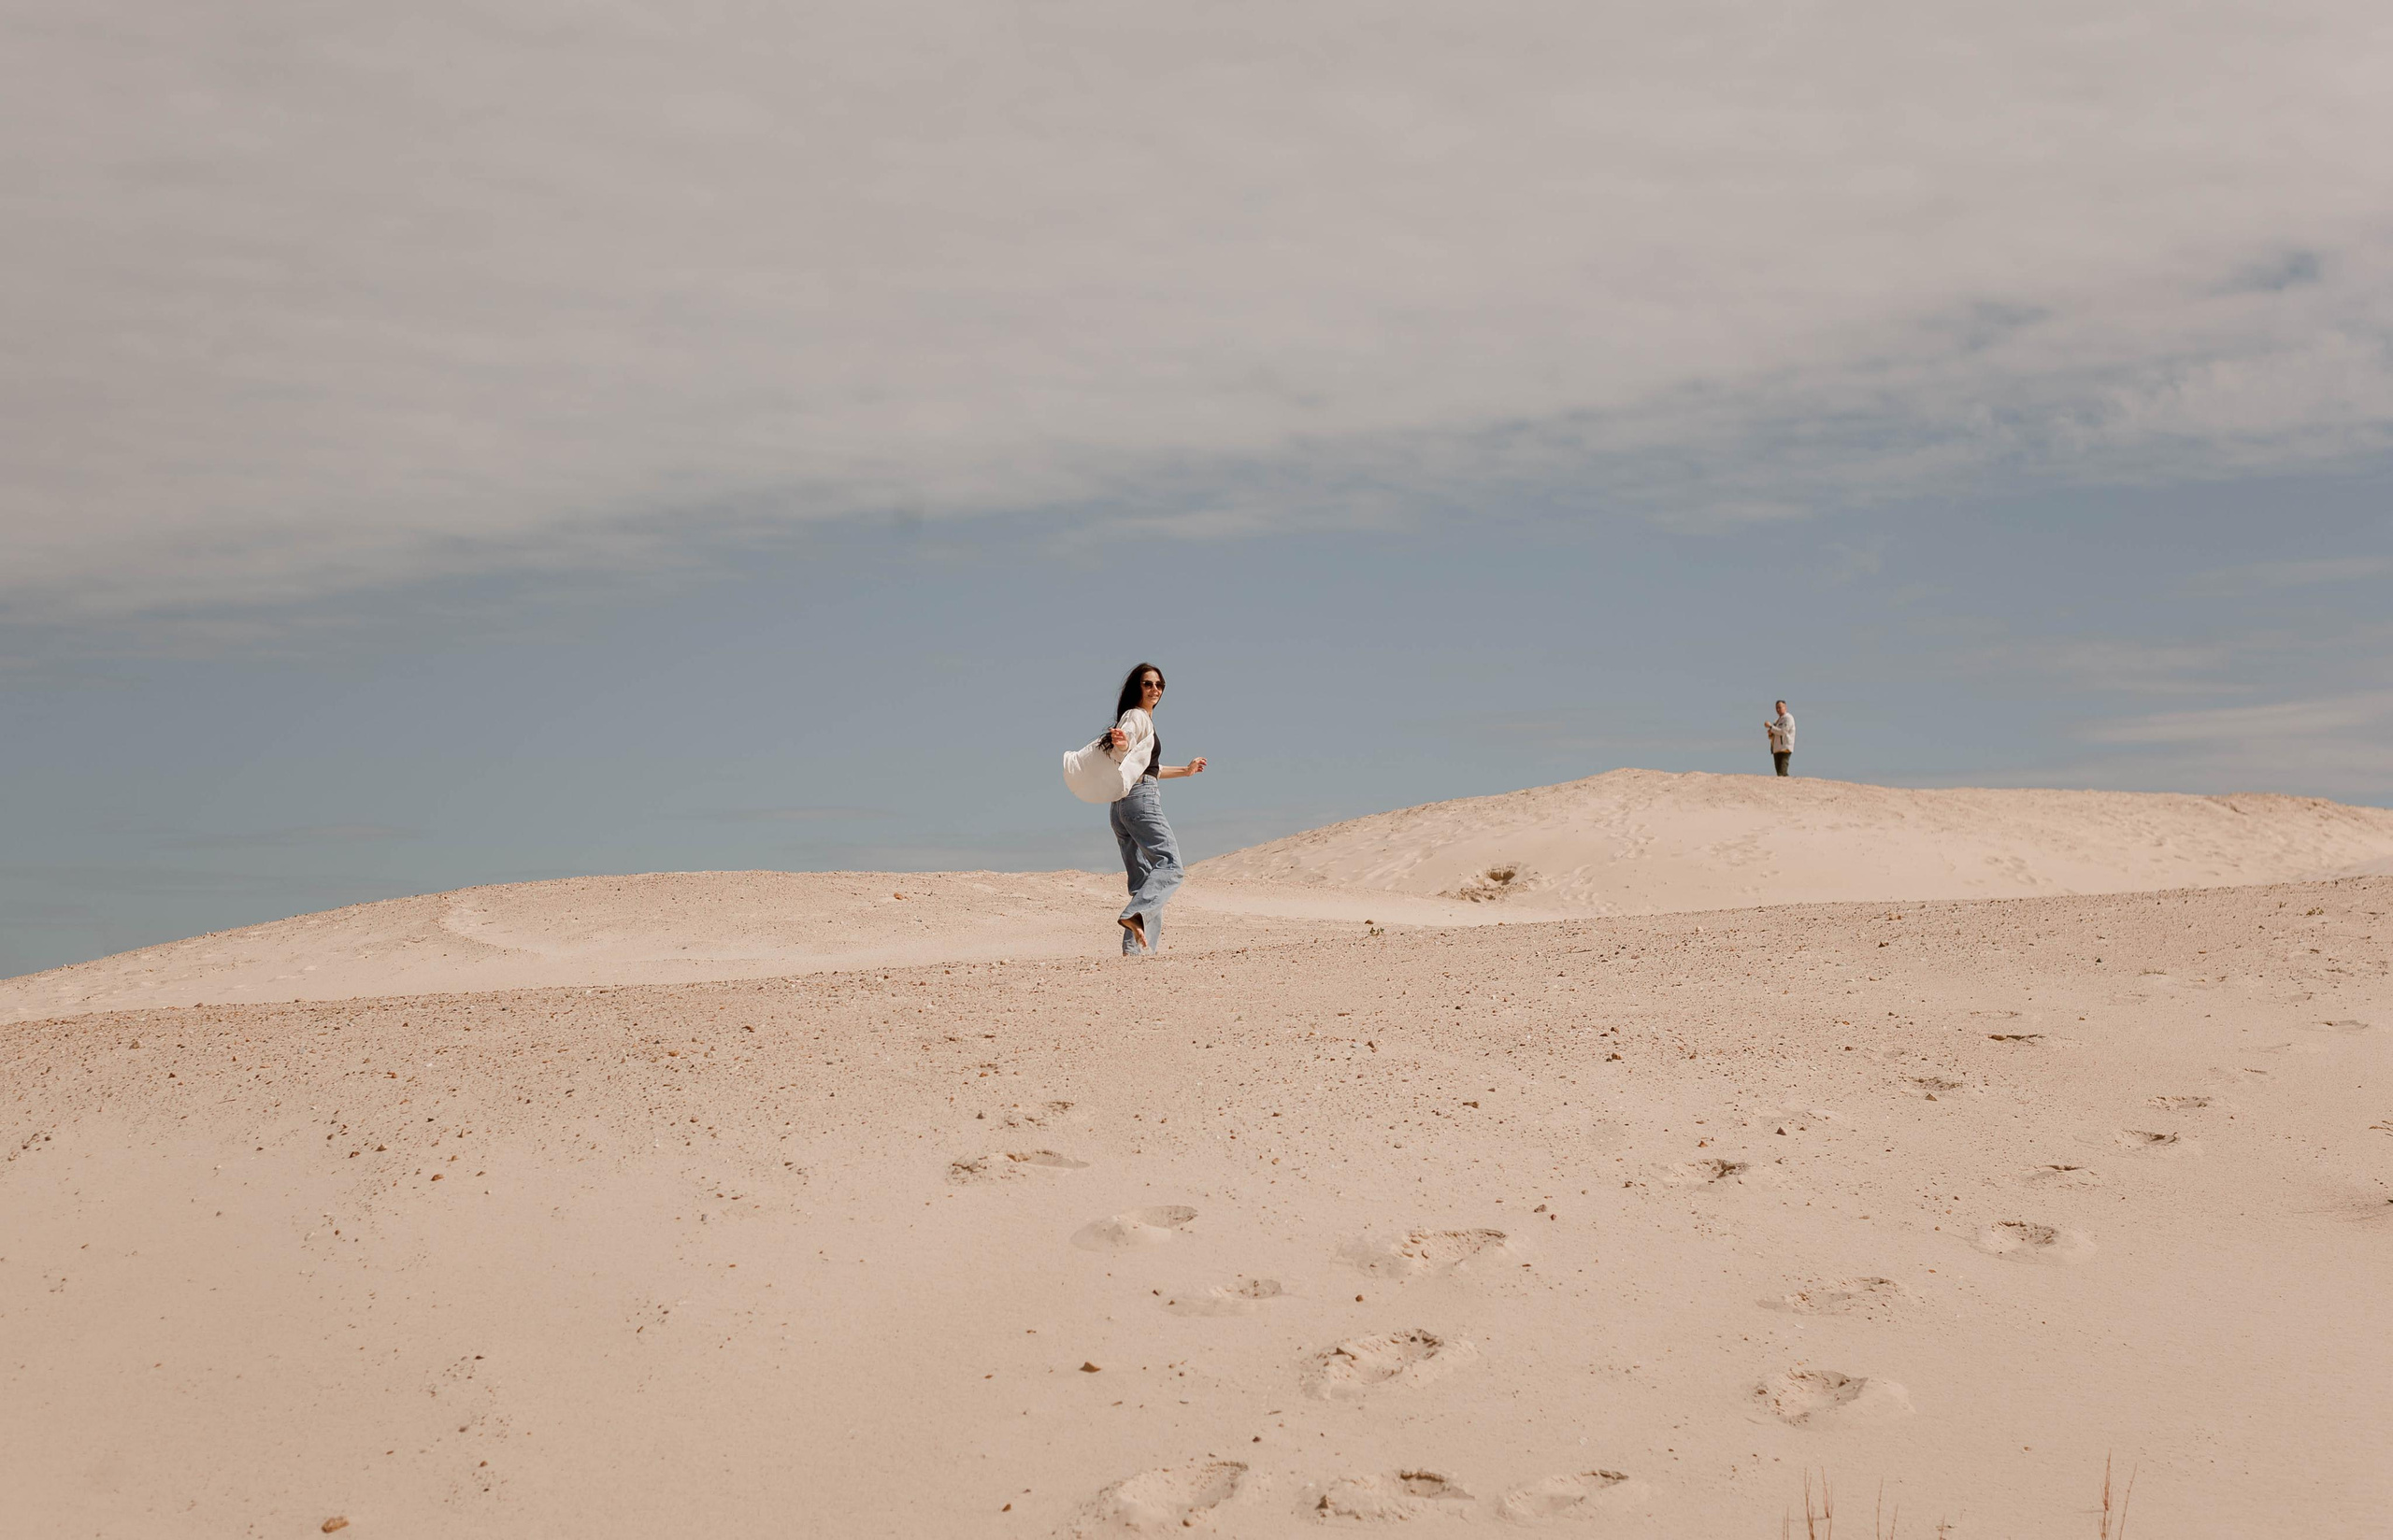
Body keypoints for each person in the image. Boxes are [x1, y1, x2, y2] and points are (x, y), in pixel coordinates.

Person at [1102, 663, 1207, 954]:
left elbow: (1147, 768)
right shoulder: (1136, 717)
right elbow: (1120, 748)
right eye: (1148, 684)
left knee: (1145, 883)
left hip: (1121, 805)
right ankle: (1134, 916)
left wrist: (1185, 771)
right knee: (1171, 868)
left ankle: (1136, 957)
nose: (1155, 690)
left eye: (1159, 685)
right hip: (1140, 801)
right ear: (1137, 687)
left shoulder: (1138, 719)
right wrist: (1121, 744)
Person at [1765, 700, 1796, 777]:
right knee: (1779, 773)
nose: (1778, 709)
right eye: (1776, 708)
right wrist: (1771, 733)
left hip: (1785, 748)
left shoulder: (1788, 718)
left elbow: (1783, 731)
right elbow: (1776, 733)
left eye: (1780, 707)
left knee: (1782, 772)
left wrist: (1771, 727)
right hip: (1777, 749)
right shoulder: (1777, 720)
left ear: (1785, 707)